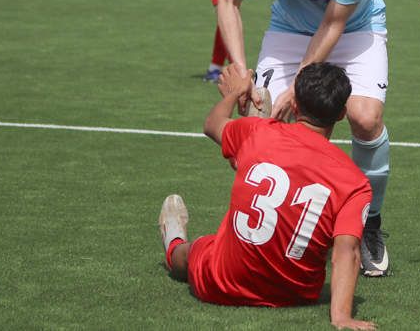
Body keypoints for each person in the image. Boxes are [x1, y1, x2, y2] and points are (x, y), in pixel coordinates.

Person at [217, 0, 391, 277]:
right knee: (259, 121)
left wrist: (299, 85)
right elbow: (229, 0)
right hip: (289, 29)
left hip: (355, 27)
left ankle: (371, 224)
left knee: (365, 119)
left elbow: (333, 23)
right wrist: (242, 71)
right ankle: (270, 228)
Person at [158, 62, 376, 330]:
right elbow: (348, 250)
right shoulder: (355, 181)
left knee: (197, 250)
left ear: (294, 104)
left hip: (221, 283)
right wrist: (341, 317)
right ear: (342, 113)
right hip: (296, 294)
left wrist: (233, 93)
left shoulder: (257, 131)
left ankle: (173, 242)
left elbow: (212, 124)